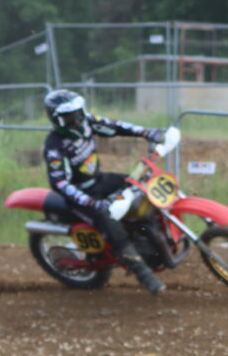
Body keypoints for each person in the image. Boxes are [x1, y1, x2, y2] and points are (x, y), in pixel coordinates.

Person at [42, 88, 172, 296]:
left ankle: (153, 238)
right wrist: (91, 202)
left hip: (99, 180)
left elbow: (116, 126)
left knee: (141, 186)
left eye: (78, 113)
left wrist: (146, 132)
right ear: (57, 119)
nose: (76, 119)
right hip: (81, 196)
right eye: (69, 116)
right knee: (111, 225)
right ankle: (144, 275)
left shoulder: (88, 122)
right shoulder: (54, 146)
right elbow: (59, 183)